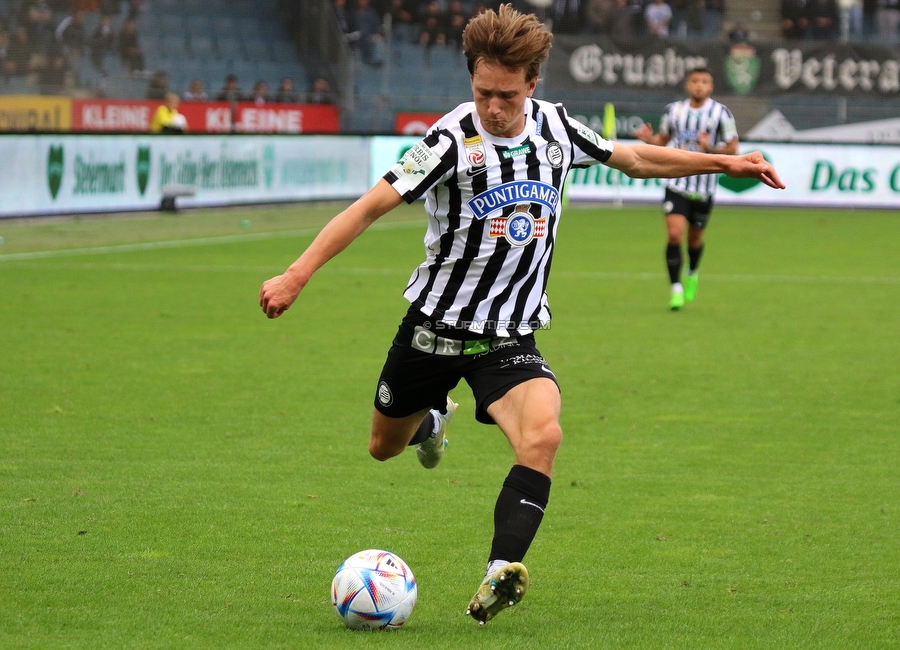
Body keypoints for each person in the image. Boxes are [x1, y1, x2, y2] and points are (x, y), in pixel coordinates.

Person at [259, 4, 781, 625]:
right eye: (483, 93)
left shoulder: (557, 130)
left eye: (507, 95)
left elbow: (636, 158)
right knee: (382, 447)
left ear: (532, 84)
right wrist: (297, 273)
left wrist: (726, 162)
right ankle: (429, 424)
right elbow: (368, 207)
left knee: (544, 436)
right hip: (432, 329)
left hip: (508, 335)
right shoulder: (449, 141)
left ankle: (498, 572)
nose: (493, 107)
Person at [634, 66, 739, 310]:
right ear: (687, 85)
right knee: (674, 234)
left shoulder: (721, 113)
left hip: (704, 187)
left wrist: (709, 148)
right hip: (676, 183)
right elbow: (663, 141)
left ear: (711, 86)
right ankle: (676, 288)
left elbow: (733, 149)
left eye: (704, 81)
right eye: (695, 81)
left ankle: (692, 271)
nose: (699, 85)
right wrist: (648, 140)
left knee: (695, 239)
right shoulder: (674, 111)